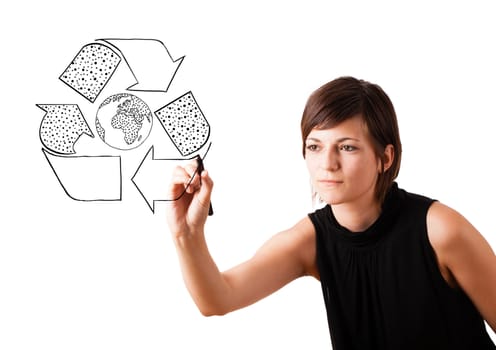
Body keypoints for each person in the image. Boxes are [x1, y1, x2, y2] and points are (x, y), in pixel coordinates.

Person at [166, 76, 496, 349]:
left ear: (386, 157)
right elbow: (217, 299)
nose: (327, 164)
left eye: (347, 146)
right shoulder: (309, 240)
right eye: (315, 146)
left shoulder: (440, 230)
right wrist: (187, 234)